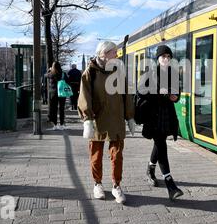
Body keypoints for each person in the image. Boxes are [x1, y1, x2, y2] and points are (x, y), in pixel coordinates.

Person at [78, 41, 136, 204]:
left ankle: (116, 186)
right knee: (96, 156)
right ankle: (97, 184)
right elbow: (84, 96)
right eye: (114, 52)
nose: (117, 55)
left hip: (116, 119)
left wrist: (130, 116)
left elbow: (127, 95)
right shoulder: (90, 72)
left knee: (117, 156)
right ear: (104, 53)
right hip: (97, 120)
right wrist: (87, 119)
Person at [138, 45, 184, 201]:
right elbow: (140, 91)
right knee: (162, 147)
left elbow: (178, 93)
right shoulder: (150, 73)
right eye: (163, 56)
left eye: (169, 57)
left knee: (159, 144)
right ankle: (170, 184)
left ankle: (150, 170)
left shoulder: (173, 73)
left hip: (167, 116)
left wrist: (175, 97)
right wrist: (162, 95)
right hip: (153, 116)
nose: (166, 59)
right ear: (157, 58)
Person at [47, 62, 68, 130]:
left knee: (54, 109)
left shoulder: (51, 74)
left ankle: (55, 125)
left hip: (53, 93)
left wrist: (49, 70)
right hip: (62, 92)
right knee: (62, 109)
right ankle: (62, 124)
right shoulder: (63, 74)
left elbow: (45, 75)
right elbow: (68, 80)